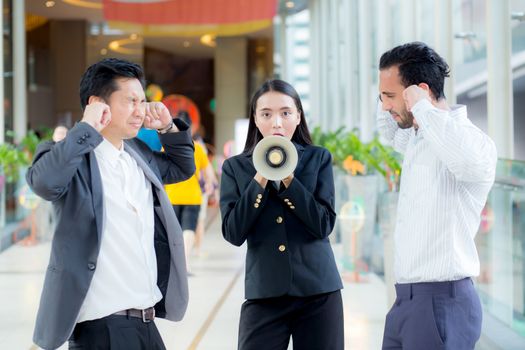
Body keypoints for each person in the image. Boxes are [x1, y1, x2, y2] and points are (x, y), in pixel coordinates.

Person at [26, 58, 195, 350]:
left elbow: (182, 168)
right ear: (96, 103)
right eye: (130, 101)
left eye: (142, 101)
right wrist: (86, 127)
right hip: (101, 331)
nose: (140, 111)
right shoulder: (69, 157)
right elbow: (43, 182)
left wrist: (167, 127)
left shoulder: (137, 154)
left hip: (147, 323)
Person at [377, 42, 497, 350]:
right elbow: (387, 131)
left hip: (441, 302)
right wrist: (395, 100)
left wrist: (422, 106)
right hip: (406, 301)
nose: (385, 106)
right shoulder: (418, 139)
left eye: (390, 96)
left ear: (420, 91)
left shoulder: (470, 141)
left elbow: (466, 162)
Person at [220, 79, 344, 350]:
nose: (277, 122)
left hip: (318, 291)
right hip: (264, 292)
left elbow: (323, 225)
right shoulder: (235, 168)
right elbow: (233, 232)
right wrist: (260, 179)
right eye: (266, 114)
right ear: (255, 118)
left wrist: (289, 179)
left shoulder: (317, 158)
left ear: (298, 116)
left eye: (286, 113)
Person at [164, 111, 217, 274]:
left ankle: (177, 262)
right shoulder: (198, 148)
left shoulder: (165, 146)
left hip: (171, 195)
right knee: (189, 229)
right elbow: (209, 174)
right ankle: (184, 262)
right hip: (192, 196)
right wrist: (211, 186)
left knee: (175, 231)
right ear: (190, 127)